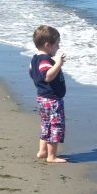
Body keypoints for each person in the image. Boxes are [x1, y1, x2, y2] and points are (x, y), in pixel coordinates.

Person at [29, 25, 67, 163]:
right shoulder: (45, 60)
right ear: (48, 45)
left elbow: (31, 71)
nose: (58, 47)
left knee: (46, 124)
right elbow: (47, 76)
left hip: (42, 97)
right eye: (57, 44)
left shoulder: (35, 59)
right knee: (55, 125)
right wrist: (58, 64)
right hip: (52, 100)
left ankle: (42, 151)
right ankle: (52, 156)